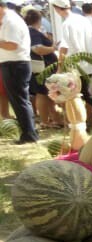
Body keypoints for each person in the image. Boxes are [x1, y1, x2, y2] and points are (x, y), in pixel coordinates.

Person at [51, 0, 92, 121]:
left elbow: (64, 48)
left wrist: (59, 67)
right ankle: (90, 118)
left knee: (81, 94)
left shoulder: (66, 24)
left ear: (57, 9)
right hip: (88, 62)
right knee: (85, 93)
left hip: (76, 65)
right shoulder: (83, 19)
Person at [0, 0, 37, 142]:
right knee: (18, 100)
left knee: (20, 101)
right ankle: (28, 132)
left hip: (15, 64)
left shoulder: (11, 21)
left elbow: (12, 45)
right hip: (12, 64)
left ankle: (29, 134)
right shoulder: (7, 19)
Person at [25, 8, 59, 128]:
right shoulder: (33, 32)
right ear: (39, 20)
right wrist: (53, 48)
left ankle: (53, 119)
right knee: (42, 94)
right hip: (42, 68)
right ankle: (45, 121)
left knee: (46, 93)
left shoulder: (31, 31)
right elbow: (37, 48)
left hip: (42, 67)